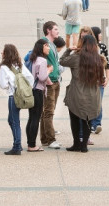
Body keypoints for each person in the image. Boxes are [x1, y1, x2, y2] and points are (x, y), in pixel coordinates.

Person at [60, 35, 105, 153]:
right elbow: (102, 78)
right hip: (93, 95)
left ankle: (76, 143)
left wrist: (69, 50)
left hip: (77, 93)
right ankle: (84, 145)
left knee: (74, 118)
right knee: (88, 119)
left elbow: (62, 61)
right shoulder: (99, 59)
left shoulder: (76, 57)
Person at [0, 44, 33, 155]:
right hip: (22, 95)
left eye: (3, 51)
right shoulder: (20, 64)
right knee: (11, 119)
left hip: (13, 96)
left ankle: (17, 146)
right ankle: (17, 144)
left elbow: (3, 84)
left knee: (14, 121)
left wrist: (10, 87)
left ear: (6, 54)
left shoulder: (4, 67)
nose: (1, 53)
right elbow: (30, 78)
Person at [39, 21, 62, 150]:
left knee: (47, 111)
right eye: (55, 29)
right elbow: (41, 61)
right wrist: (47, 79)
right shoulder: (44, 43)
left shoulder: (52, 44)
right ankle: (51, 139)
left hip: (55, 80)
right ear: (48, 31)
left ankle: (45, 138)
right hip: (50, 82)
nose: (57, 31)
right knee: (48, 111)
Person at [25, 39, 50, 152]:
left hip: (31, 90)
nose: (48, 48)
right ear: (41, 47)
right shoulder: (42, 60)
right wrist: (49, 70)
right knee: (36, 118)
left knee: (31, 117)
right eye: (46, 45)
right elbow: (42, 77)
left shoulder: (32, 58)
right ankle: (32, 145)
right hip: (38, 91)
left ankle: (29, 142)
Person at [88, 26, 109, 135]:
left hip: (100, 79)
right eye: (99, 33)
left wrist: (107, 78)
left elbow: (107, 64)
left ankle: (97, 124)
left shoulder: (103, 47)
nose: (101, 35)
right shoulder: (88, 47)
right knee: (91, 102)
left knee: (98, 102)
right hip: (90, 79)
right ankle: (91, 124)